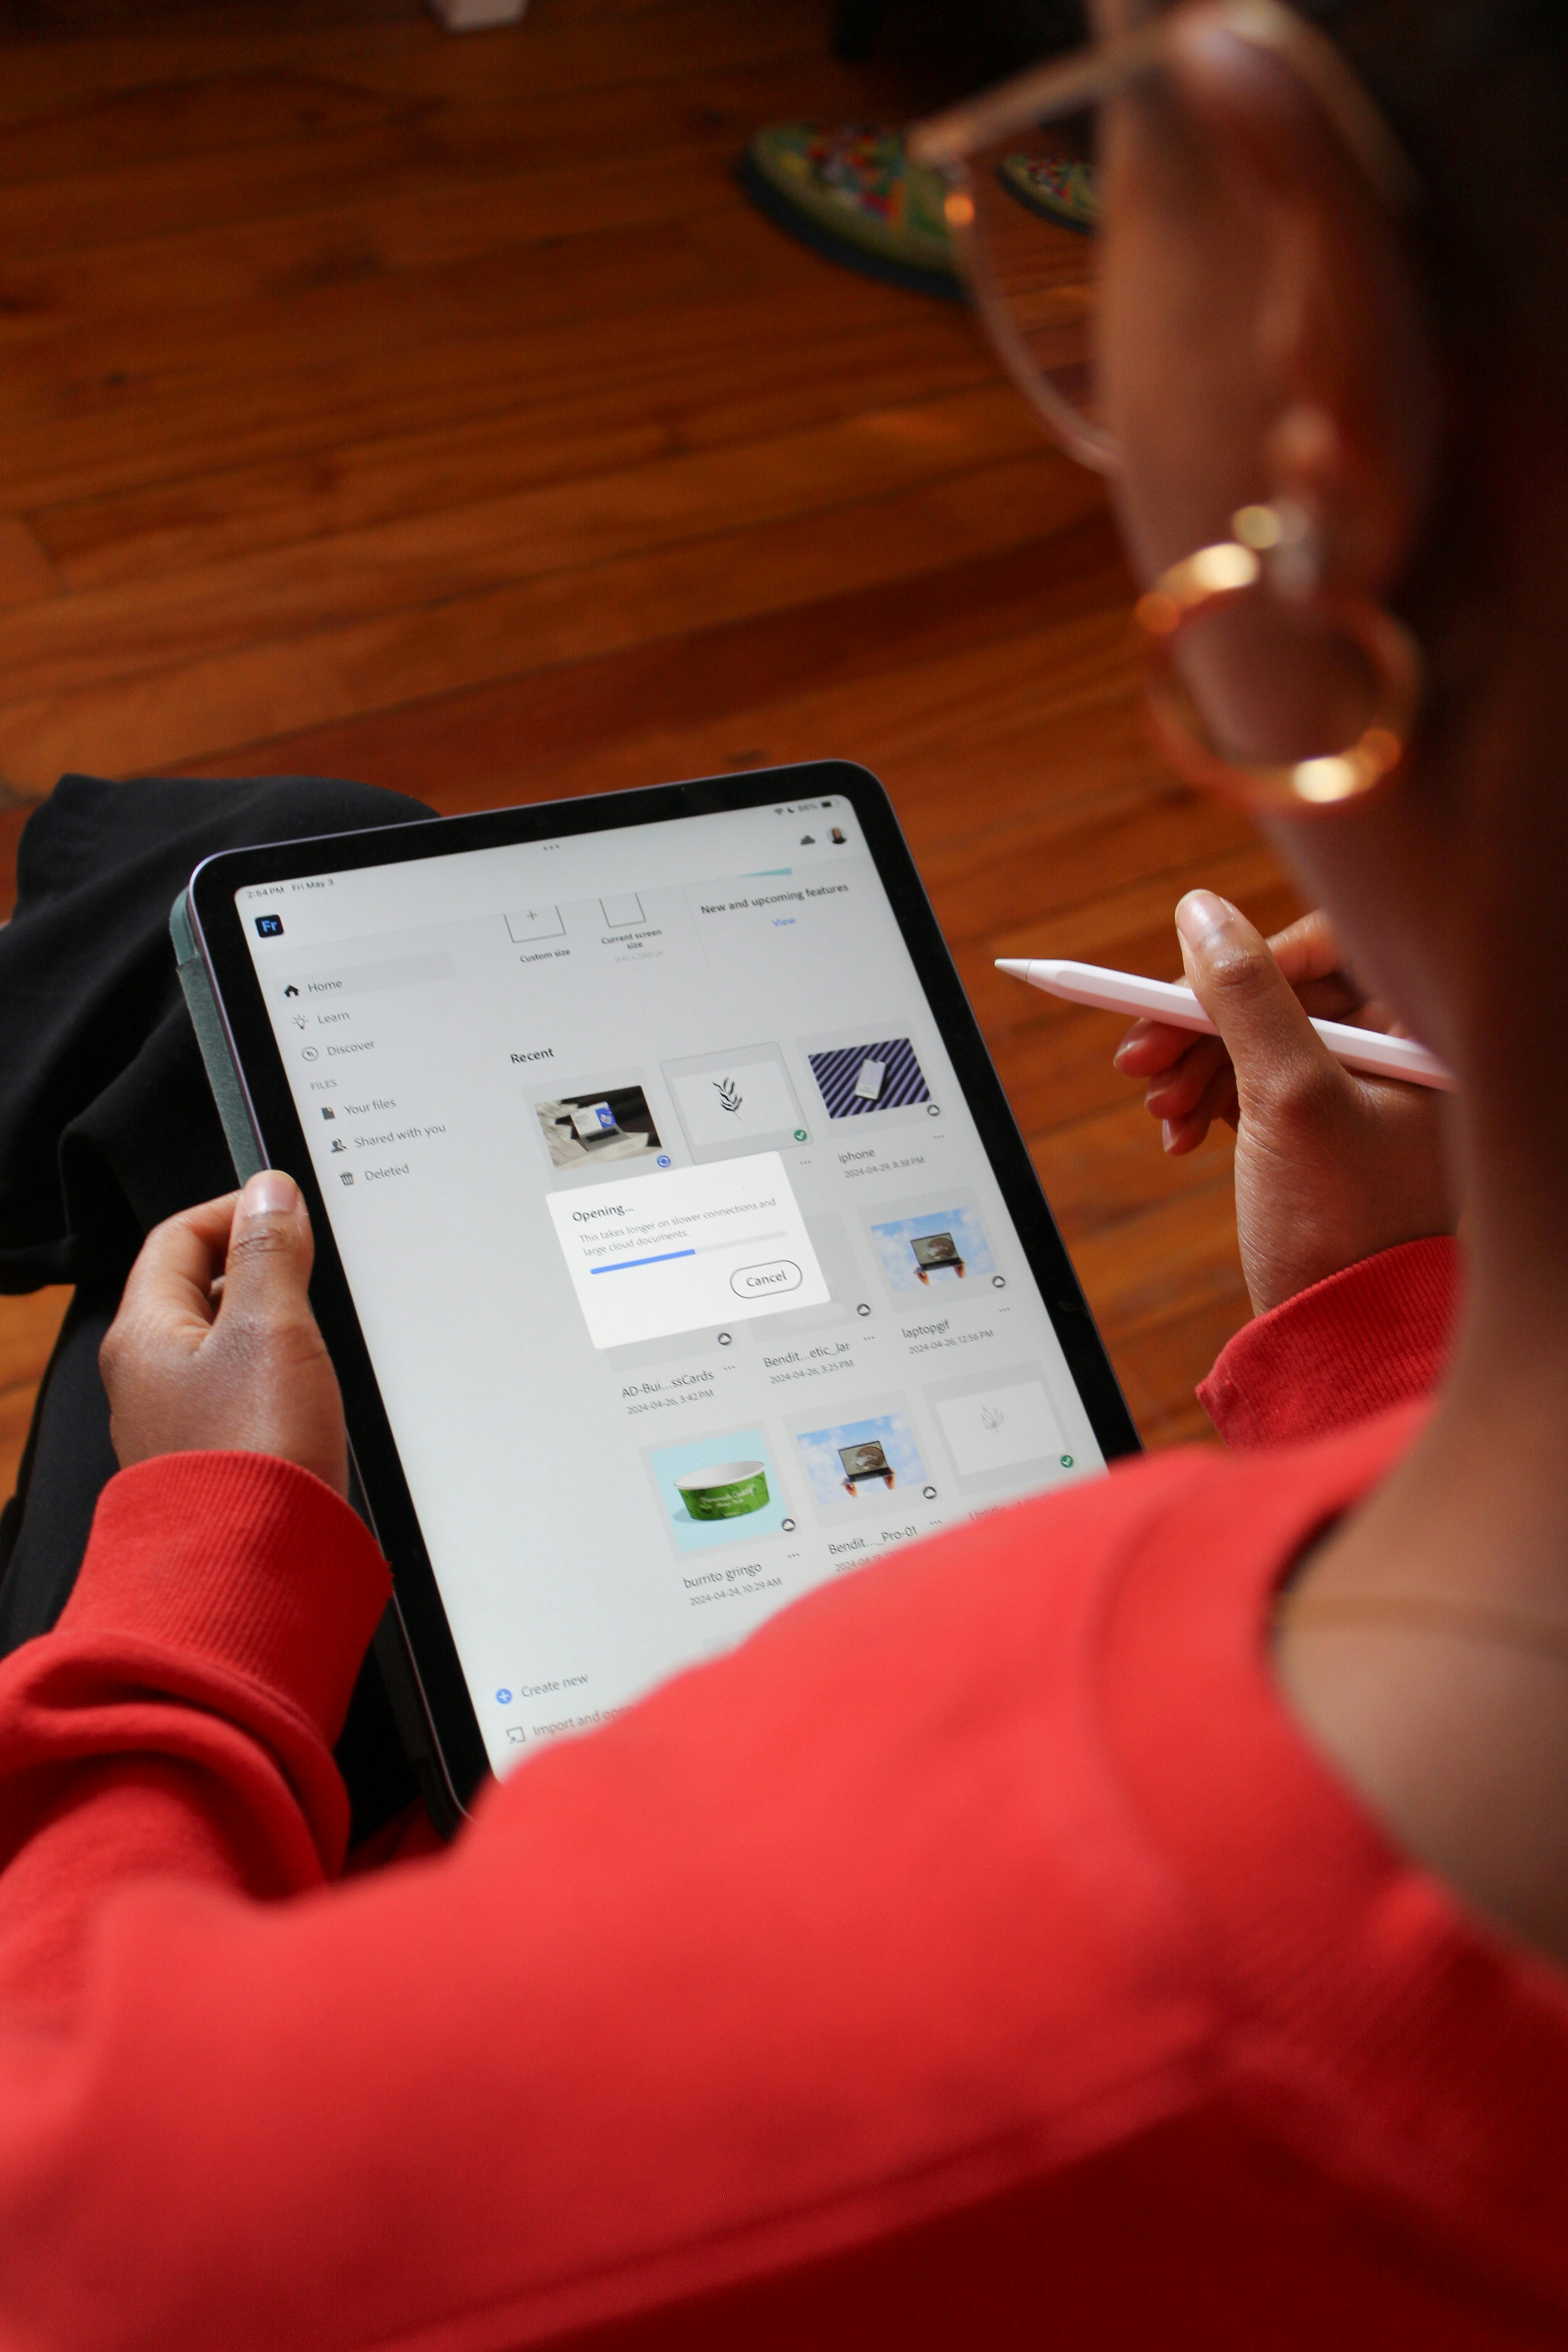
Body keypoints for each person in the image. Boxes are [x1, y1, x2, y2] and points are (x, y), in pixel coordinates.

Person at [1, 1, 1564, 2343]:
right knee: (293, 876)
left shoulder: (856, 2061)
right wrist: (1392, 1344)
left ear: (1307, 342)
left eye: (1099, 131)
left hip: (222, 1930)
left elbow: (62, 2213)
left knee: (228, 971)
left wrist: (198, 1575)